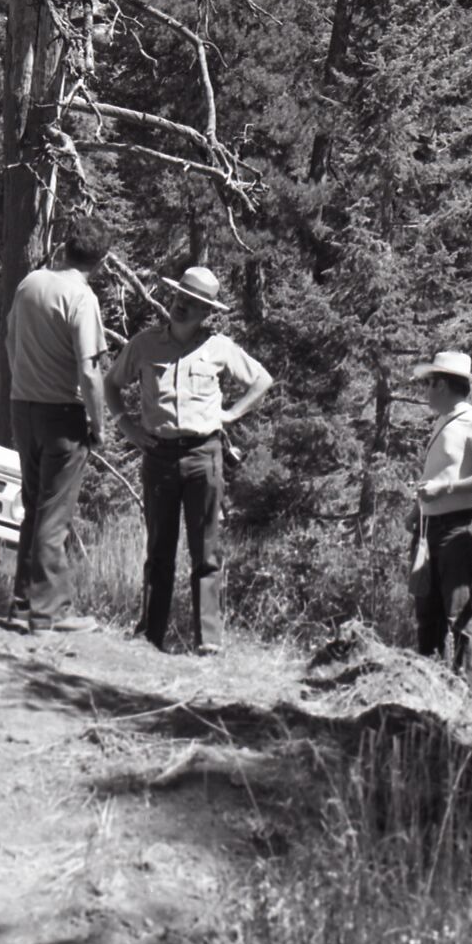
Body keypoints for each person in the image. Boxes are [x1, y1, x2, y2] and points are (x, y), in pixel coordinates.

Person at [105, 263, 271, 656]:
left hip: (204, 456)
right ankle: (149, 637)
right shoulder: (145, 345)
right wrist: (126, 426)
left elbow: (261, 380)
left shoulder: (219, 347)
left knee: (206, 552)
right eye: (181, 297)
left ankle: (209, 643)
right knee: (159, 551)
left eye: (193, 303)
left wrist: (231, 414)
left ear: (206, 311)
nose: (182, 306)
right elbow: (111, 384)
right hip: (158, 456)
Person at [2, 227, 115, 632]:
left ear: (65, 249)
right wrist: (98, 424)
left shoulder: (31, 282)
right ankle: (50, 613)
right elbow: (89, 369)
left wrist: (22, 386)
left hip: (23, 407)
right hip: (61, 414)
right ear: (99, 264)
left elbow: (10, 340)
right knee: (54, 516)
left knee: (34, 509)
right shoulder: (82, 298)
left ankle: (22, 605)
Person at [407, 350, 472, 668]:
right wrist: (417, 509)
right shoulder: (444, 423)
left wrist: (443, 489)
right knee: (427, 614)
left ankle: (464, 696)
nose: (425, 390)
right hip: (428, 527)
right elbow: (439, 473)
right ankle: (426, 685)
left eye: (429, 383)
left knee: (458, 614)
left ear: (443, 386)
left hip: (456, 530)